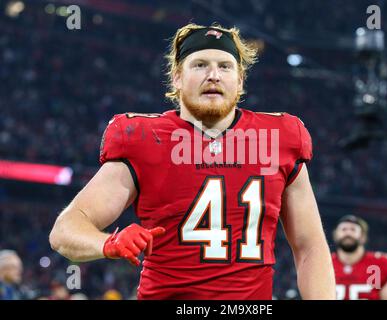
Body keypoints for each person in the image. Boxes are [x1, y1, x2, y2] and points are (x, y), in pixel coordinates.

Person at [49, 23, 335, 300]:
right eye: (199, 65)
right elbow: (65, 230)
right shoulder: (143, 139)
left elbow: (310, 247)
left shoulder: (281, 138)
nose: (213, 75)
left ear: (240, 80)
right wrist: (108, 243)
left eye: (225, 66)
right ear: (176, 77)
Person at [332, 215, 387, 300]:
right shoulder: (324, 263)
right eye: (344, 229)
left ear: (363, 237)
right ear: (335, 235)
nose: (348, 233)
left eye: (353, 229)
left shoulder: (381, 263)